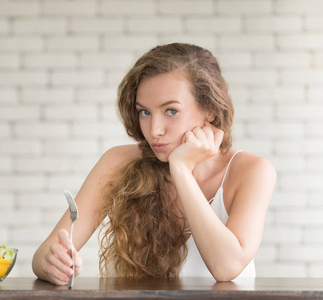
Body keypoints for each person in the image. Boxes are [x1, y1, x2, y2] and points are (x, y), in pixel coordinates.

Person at [32, 43, 276, 285]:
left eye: (170, 111)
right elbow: (42, 256)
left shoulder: (252, 171)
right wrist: (51, 263)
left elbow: (227, 267)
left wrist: (180, 170)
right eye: (144, 112)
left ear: (210, 109)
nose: (154, 131)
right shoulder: (118, 162)